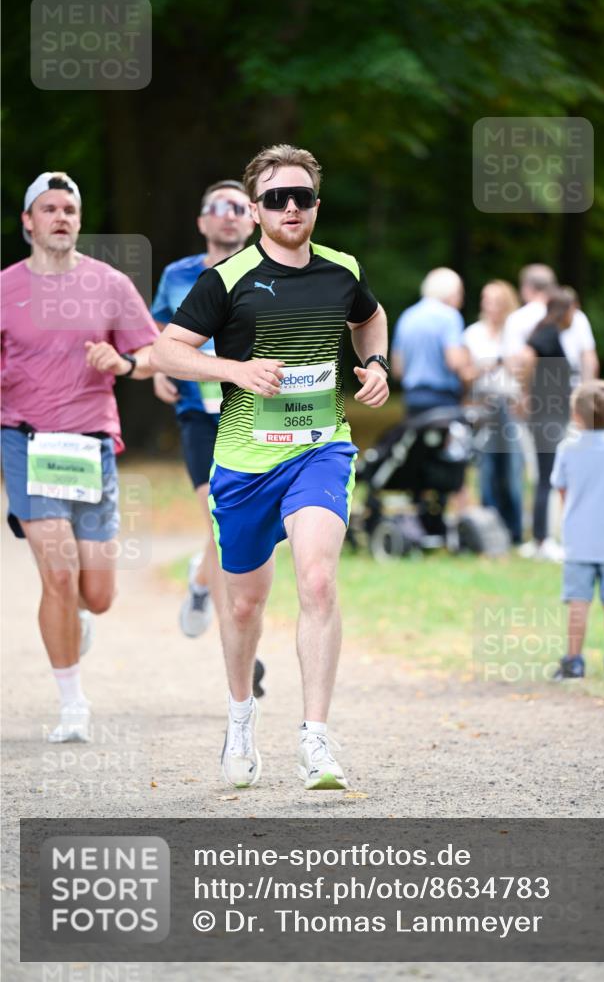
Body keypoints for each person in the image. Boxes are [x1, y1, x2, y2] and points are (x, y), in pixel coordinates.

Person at [150, 144, 389, 791]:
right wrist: (234, 370)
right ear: (255, 209)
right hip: (242, 463)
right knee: (245, 605)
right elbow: (167, 351)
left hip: (318, 449)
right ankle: (239, 719)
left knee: (316, 581)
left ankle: (315, 739)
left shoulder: (340, 269)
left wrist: (375, 366)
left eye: (302, 197)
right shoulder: (226, 280)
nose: (291, 208)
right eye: (277, 198)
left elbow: (370, 319)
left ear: (315, 205)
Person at [0, 171, 158, 742]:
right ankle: (72, 705)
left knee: (98, 594)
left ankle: (79, 618)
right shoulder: (5, 287)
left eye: (69, 208)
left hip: (90, 444)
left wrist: (125, 365)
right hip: (26, 441)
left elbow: (154, 352)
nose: (60, 217)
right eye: (48, 209)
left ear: (79, 220)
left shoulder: (110, 284)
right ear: (28, 222)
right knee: (59, 574)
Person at [151, 179, 266, 696]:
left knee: (232, 525)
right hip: (200, 413)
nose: (228, 216)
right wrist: (157, 369)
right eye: (216, 208)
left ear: (253, 217)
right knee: (221, 523)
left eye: (238, 207)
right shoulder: (178, 275)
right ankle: (246, 657)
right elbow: (157, 331)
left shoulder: (268, 272)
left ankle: (201, 583)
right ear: (202, 222)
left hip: (254, 412)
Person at [550, 380, 604, 679]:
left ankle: (574, 661)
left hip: (578, 542)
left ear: (576, 415)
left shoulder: (567, 448)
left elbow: (563, 492)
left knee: (578, 602)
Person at [519, 287, 578, 562]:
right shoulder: (548, 332)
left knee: (545, 476)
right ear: (565, 310)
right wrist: (525, 393)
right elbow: (527, 357)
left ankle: (540, 536)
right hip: (546, 416)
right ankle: (543, 539)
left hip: (549, 415)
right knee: (546, 477)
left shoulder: (548, 331)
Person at [463, 280, 523, 544]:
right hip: (483, 406)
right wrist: (493, 364)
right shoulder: (472, 334)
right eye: (486, 300)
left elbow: (524, 371)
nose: (490, 307)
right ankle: (491, 531)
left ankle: (516, 530)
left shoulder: (517, 333)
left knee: (511, 470)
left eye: (496, 301)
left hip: (510, 406)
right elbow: (466, 375)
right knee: (486, 469)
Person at [502, 264, 599, 383]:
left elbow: (515, 363)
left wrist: (524, 391)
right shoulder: (577, 315)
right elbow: (590, 359)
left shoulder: (517, 318)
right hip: (573, 390)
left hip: (541, 393)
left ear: (526, 288)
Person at [391, 267, 469, 414]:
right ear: (450, 292)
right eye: (460, 293)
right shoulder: (450, 316)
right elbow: (454, 362)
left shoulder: (407, 316)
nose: (461, 300)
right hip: (443, 399)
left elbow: (397, 369)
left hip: (412, 398)